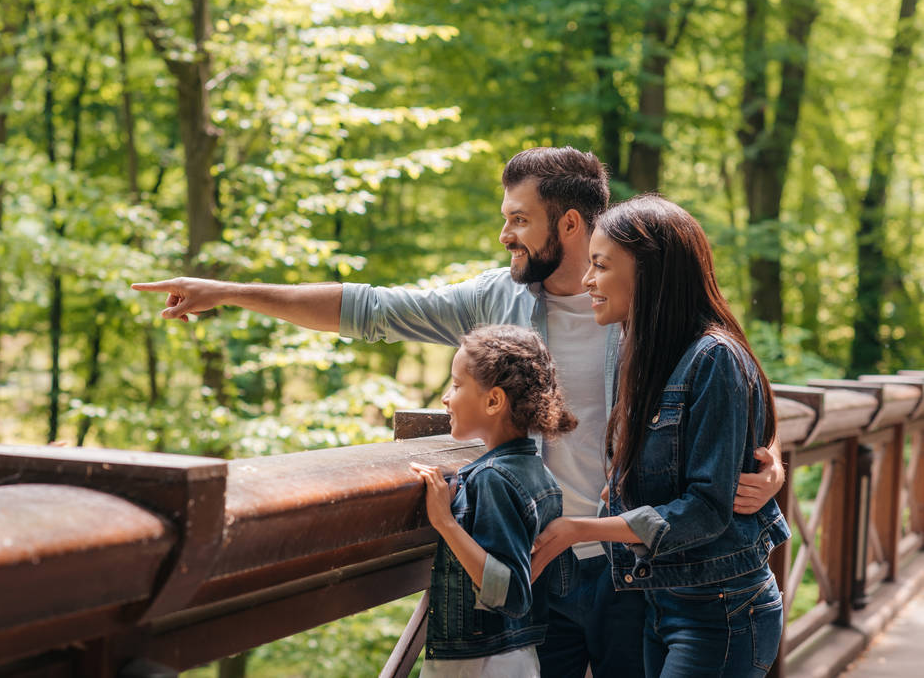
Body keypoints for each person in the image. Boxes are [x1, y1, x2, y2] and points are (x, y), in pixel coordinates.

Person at [131, 146, 785, 676]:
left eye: (519, 219)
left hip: (639, 570)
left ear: (568, 224)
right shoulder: (495, 297)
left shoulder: (641, 298)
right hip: (539, 565)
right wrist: (231, 292)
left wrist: (770, 458)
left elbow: (725, 380)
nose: (504, 234)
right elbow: (371, 309)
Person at [530, 194, 791, 677]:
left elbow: (706, 509)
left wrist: (581, 528)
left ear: (649, 270)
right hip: (661, 601)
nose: (588, 280)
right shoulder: (643, 350)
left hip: (721, 610)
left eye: (601, 266)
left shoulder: (714, 357)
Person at [411, 324, 576, 677]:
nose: (445, 397)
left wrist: (445, 522)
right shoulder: (538, 473)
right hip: (517, 656)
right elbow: (561, 582)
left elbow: (512, 594)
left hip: (478, 663)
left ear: (493, 400)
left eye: (456, 385)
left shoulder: (492, 479)